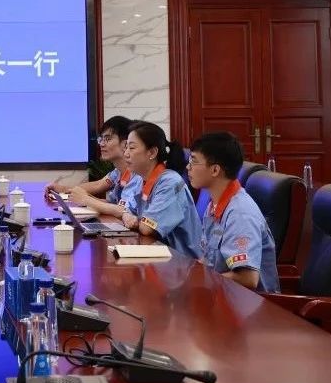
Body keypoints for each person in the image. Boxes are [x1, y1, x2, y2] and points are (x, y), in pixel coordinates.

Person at [187, 132, 280, 292]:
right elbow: (208, 260)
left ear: (215, 170)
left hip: (250, 303)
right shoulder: (214, 205)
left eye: (194, 161)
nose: (188, 167)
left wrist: (201, 281)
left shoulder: (240, 214)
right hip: (221, 294)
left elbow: (248, 278)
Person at [120, 121, 203, 258]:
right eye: (126, 147)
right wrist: (126, 215)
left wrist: (131, 218)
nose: (126, 154)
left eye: (132, 148)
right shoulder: (142, 178)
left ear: (152, 152)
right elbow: (127, 210)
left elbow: (147, 228)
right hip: (157, 254)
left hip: (183, 263)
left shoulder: (170, 182)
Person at [45, 116, 141, 216]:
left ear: (125, 144)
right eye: (101, 139)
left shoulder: (138, 174)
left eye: (107, 139)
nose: (101, 144)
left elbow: (125, 211)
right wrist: (63, 190)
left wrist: (86, 199)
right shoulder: (117, 172)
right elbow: (99, 186)